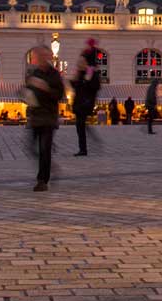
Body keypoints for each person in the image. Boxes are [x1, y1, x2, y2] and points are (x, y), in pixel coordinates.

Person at [21, 48, 66, 191]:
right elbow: (26, 92)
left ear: (46, 57)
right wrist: (24, 94)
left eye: (40, 56)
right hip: (35, 117)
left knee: (44, 149)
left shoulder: (54, 75)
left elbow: (60, 95)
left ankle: (42, 180)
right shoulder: (33, 73)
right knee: (31, 148)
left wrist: (46, 88)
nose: (37, 59)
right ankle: (50, 167)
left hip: (48, 117)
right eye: (36, 56)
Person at [71, 38, 104, 157]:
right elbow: (75, 86)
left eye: (81, 62)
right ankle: (83, 147)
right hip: (80, 102)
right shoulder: (80, 73)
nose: (79, 63)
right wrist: (74, 79)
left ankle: (83, 149)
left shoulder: (91, 73)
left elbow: (96, 86)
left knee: (80, 125)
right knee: (79, 125)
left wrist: (86, 81)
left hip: (85, 102)